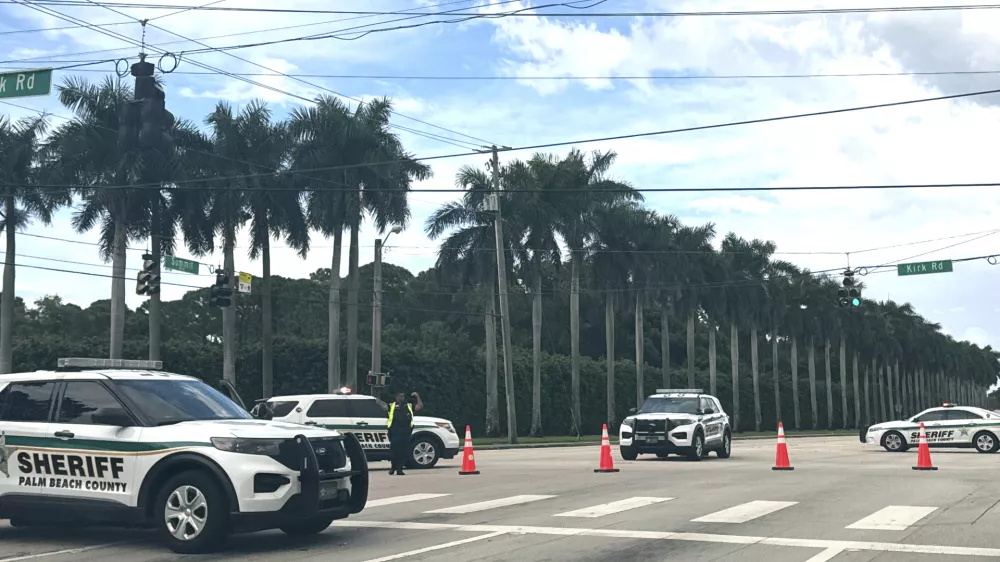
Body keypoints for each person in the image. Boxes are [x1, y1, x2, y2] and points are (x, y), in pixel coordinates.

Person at [376, 391, 423, 475]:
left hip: (405, 433)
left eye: (403, 396)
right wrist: (377, 400)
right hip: (394, 433)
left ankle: (399, 469)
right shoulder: (392, 406)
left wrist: (417, 397)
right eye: (400, 396)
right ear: (396, 397)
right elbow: (384, 407)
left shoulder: (408, 406)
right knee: (394, 452)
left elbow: (419, 407)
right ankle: (393, 468)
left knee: (403, 452)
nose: (401, 398)